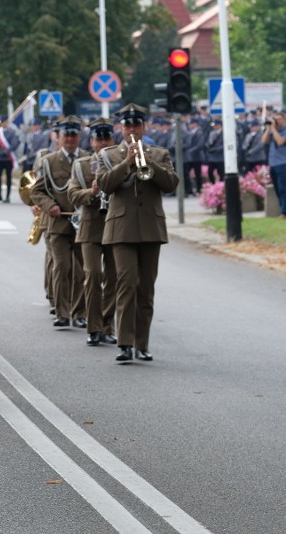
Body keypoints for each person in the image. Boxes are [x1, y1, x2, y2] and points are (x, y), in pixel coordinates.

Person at [96, 104, 178, 362]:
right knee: (126, 283)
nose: (132, 130)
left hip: (151, 229)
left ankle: (142, 344)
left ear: (143, 127)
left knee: (146, 289)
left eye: (136, 125)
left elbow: (171, 184)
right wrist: (127, 163)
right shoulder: (108, 155)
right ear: (121, 128)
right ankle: (125, 343)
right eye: (127, 126)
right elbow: (105, 185)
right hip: (121, 228)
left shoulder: (160, 153)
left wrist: (149, 162)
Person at [30, 116, 88, 329]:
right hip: (58, 223)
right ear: (59, 138)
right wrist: (50, 205)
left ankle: (80, 312)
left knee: (82, 270)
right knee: (61, 267)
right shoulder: (49, 161)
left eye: (74, 135)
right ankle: (62, 312)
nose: (70, 139)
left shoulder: (87, 159)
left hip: (83, 223)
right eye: (67, 135)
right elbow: (37, 190)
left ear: (79, 137)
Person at [67, 118, 117, 346]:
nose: (103, 143)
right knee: (93, 275)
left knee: (114, 279)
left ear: (113, 139)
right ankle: (94, 327)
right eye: (99, 139)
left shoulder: (120, 161)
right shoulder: (81, 165)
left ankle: (107, 326)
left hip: (115, 226)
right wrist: (92, 192)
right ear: (92, 142)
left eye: (107, 138)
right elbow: (73, 194)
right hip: (90, 227)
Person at [262, 110, 286, 218]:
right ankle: (282, 209)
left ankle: (284, 212)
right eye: (274, 119)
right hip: (273, 163)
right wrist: (268, 128)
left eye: (278, 119)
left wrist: (273, 129)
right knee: (277, 188)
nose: (276, 121)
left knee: (283, 188)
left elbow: (280, 141)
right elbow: (264, 141)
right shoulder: (272, 130)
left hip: (283, 163)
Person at [0, 115, 20, 203]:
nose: (2, 124)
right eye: (1, 122)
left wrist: (6, 151)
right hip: (0, 158)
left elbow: (14, 144)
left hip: (8, 158)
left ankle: (7, 196)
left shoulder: (12, 132)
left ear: (7, 122)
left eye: (4, 122)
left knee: (8, 177)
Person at [183, 117, 205, 196]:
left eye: (191, 124)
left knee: (197, 174)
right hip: (190, 157)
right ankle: (190, 189)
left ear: (195, 124)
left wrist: (191, 150)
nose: (190, 125)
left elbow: (200, 144)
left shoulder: (199, 132)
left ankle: (199, 189)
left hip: (197, 156)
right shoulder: (190, 132)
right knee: (187, 173)